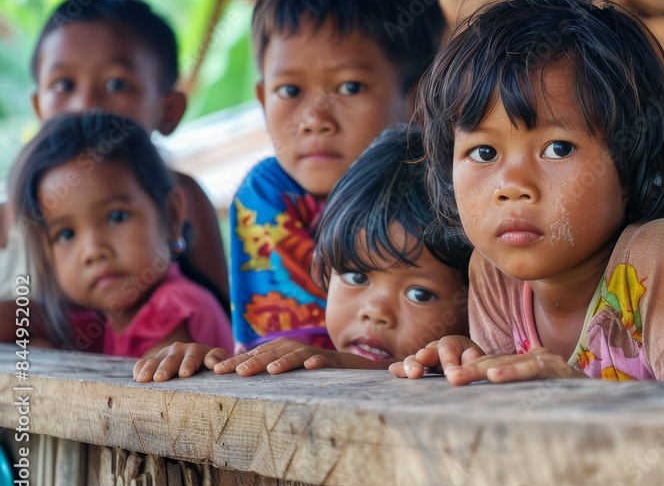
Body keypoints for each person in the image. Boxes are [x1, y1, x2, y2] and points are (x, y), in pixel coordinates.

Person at [391, 0, 664, 385]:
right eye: (483, 153)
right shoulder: (493, 272)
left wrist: (573, 392)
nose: (512, 186)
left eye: (558, 148)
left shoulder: (659, 259)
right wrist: (468, 364)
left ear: (632, 164)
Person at [230, 0, 446, 353]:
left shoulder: (448, 193)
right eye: (289, 90)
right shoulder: (268, 196)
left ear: (418, 99)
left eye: (350, 87)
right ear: (262, 100)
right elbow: (285, 358)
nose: (314, 119)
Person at [134, 127, 471, 381]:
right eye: (355, 276)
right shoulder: (305, 350)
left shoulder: (469, 364)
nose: (375, 312)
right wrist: (208, 364)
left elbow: (425, 375)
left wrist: (338, 363)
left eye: (419, 293)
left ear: (478, 298)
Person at [23, 0, 229, 307]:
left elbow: (222, 324)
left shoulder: (184, 195)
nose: (86, 105)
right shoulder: (16, 211)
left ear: (169, 109)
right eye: (63, 85)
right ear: (38, 107)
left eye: (116, 84)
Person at [5, 112, 232, 357]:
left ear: (171, 216)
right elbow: (27, 321)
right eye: (66, 234)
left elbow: (154, 384)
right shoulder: (107, 321)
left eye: (117, 217)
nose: (93, 250)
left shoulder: (175, 307)